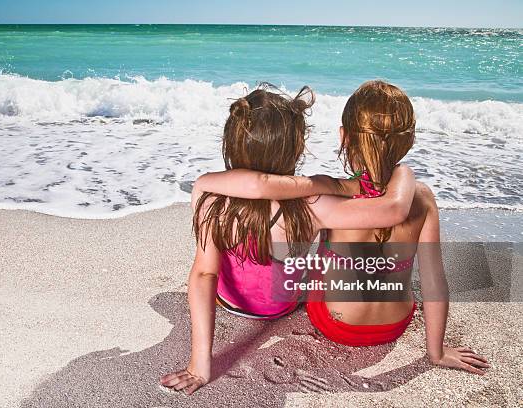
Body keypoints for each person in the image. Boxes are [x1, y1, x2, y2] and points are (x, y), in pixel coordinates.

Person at [188, 80, 490, 380]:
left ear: (344, 137)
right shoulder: (410, 199)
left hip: (316, 320)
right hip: (390, 322)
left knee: (314, 254)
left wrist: (321, 183)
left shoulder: (219, 200)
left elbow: (208, 269)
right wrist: (435, 352)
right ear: (408, 140)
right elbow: (431, 275)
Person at [160, 84, 419, 395]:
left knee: (205, 266)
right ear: (295, 150)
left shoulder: (208, 195)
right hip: (281, 307)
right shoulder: (313, 204)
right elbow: (393, 211)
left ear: (231, 144)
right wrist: (402, 173)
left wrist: (199, 365)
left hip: (228, 301)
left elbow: (205, 274)